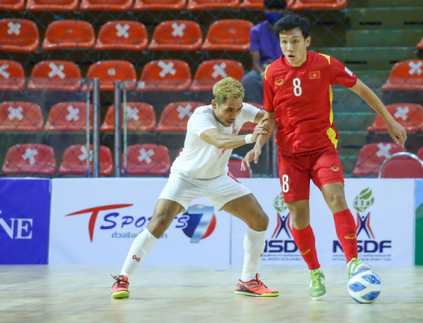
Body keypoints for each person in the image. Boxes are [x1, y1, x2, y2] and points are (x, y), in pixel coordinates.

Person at [242, 15, 408, 300]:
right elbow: (269, 116)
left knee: (336, 196)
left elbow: (362, 89)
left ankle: (353, 262)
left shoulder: (326, 64)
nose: (289, 47)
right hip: (289, 155)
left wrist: (390, 121)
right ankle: (314, 272)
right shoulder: (271, 73)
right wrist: (258, 143)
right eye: (284, 42)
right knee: (298, 215)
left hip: (322, 148)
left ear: (307, 41)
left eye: (295, 41)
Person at [112, 77, 278, 299]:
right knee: (158, 223)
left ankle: (248, 280)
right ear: (214, 104)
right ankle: (123, 279)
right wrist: (250, 137)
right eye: (229, 110)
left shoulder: (241, 110)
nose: (235, 115)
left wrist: (258, 145)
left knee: (260, 220)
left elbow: (271, 116)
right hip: (185, 178)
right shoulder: (200, 117)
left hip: (218, 178)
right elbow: (218, 140)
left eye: (238, 109)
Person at [241, 0, 287, 105]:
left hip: (287, 70)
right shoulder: (256, 31)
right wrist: (263, 74)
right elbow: (256, 61)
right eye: (271, 9)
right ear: (265, 10)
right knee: (248, 80)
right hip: (265, 70)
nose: (274, 12)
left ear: (284, 11)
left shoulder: (292, 30)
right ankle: (261, 111)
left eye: (278, 9)